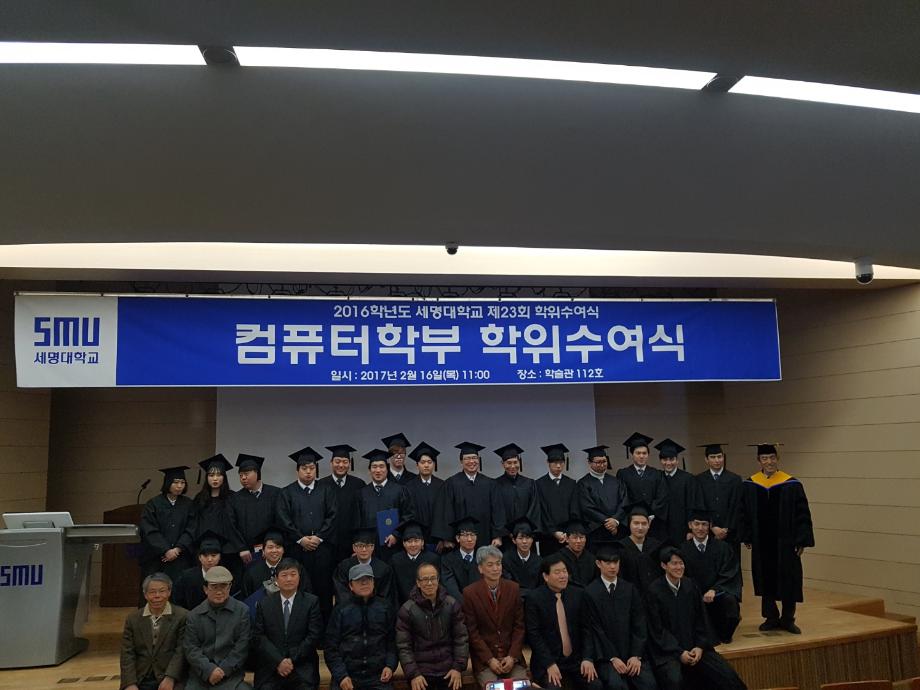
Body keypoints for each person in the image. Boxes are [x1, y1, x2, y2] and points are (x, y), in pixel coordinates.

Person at [645, 548, 748, 690]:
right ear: (664, 565)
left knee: (728, 676)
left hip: (696, 647)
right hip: (669, 652)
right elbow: (657, 630)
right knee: (674, 680)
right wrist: (679, 653)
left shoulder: (690, 586)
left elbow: (702, 620)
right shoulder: (654, 591)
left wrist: (700, 646)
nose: (679, 567)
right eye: (674, 563)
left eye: (681, 563)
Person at [740, 443, 815, 634]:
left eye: (772, 457)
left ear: (778, 458)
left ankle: (788, 619)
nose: (769, 462)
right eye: (765, 458)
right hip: (762, 543)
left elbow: (802, 514)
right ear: (759, 461)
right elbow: (744, 513)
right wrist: (747, 535)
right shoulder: (750, 484)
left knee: (789, 580)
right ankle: (771, 617)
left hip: (786, 543)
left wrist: (801, 540)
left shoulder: (792, 484)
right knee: (765, 580)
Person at [276, 446, 338, 625]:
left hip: (322, 550)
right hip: (297, 551)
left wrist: (319, 537)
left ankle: (323, 631)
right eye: (304, 468)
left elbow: (333, 516)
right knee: (300, 590)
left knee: (324, 591)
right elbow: (283, 519)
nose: (309, 472)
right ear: (297, 470)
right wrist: (300, 538)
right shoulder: (287, 492)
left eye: (312, 468)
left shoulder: (326, 490)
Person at [582, 544, 656, 690]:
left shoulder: (629, 589)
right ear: (598, 564)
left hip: (632, 654)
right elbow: (595, 629)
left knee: (649, 684)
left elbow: (639, 623)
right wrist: (612, 657)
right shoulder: (590, 592)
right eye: (608, 563)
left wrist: (636, 655)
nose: (612, 567)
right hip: (606, 656)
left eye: (615, 562)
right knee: (616, 685)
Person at [525, 553, 601, 690]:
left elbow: (587, 630)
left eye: (564, 571)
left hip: (576, 661)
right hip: (548, 661)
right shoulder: (534, 599)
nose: (563, 576)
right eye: (557, 572)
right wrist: (549, 663)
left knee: (595, 685)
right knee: (553, 687)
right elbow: (534, 635)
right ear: (545, 576)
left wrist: (587, 658)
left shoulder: (578, 594)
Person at [324, 563, 398, 690]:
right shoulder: (341, 610)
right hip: (348, 675)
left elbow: (393, 642)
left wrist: (390, 666)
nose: (364, 583)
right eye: (359, 580)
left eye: (368, 579)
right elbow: (331, 648)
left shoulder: (385, 608)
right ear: (351, 586)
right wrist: (341, 675)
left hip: (378, 675)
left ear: (373, 583)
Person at [253, 558, 324, 690]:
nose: (289, 579)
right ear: (276, 580)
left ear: (299, 577)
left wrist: (291, 660)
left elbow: (313, 636)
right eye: (284, 575)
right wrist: (278, 661)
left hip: (302, 666)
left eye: (293, 574)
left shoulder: (311, 602)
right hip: (272, 666)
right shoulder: (265, 604)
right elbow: (259, 637)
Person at [461, 546, 528, 686]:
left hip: (512, 658)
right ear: (480, 569)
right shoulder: (470, 593)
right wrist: (490, 659)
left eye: (498, 564)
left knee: (520, 686)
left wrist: (512, 656)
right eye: (490, 565)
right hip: (485, 661)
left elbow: (519, 626)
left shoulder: (513, 588)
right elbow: (473, 633)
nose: (495, 568)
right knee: (495, 687)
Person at [396, 563, 468, 690]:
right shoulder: (407, 610)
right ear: (418, 583)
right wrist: (414, 674)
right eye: (425, 579)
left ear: (438, 580)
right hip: (421, 673)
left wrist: (457, 667)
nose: (429, 583)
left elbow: (461, 638)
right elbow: (404, 646)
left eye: (433, 578)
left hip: (449, 670)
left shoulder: (451, 604)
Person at [183, 565, 252, 690]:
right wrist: (209, 670)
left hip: (231, 674)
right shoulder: (194, 615)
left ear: (230, 587)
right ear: (205, 589)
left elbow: (242, 646)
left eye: (223, 586)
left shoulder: (242, 611)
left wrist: (223, 670)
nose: (219, 592)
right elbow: (191, 649)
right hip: (201, 675)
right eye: (214, 587)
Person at [679, 509, 742, 644]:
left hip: (716, 595)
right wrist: (696, 593)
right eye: (697, 524)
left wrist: (715, 589)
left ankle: (724, 634)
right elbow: (680, 576)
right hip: (693, 596)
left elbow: (730, 573)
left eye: (704, 524)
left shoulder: (723, 548)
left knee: (730, 602)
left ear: (710, 526)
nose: (700, 528)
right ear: (690, 525)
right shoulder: (682, 549)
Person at [432, 442, 506, 552]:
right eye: (467, 458)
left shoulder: (490, 484)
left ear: (478, 460)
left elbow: (498, 511)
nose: (471, 461)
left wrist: (497, 535)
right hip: (458, 540)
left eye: (474, 458)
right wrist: (447, 538)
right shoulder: (451, 484)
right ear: (461, 461)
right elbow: (445, 512)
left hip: (485, 537)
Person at [120, 572, 188, 690]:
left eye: (162, 591)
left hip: (171, 678)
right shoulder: (133, 619)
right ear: (145, 594)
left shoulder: (182, 616)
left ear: (169, 592)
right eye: (152, 592)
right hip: (140, 678)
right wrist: (130, 683)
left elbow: (181, 651)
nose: (157, 596)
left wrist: (170, 677)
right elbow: (127, 654)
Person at [356, 449, 416, 561]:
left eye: (381, 466)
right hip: (369, 548)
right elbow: (357, 521)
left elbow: (408, 516)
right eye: (374, 467)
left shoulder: (399, 490)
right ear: (369, 470)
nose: (378, 470)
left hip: (394, 547)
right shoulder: (362, 493)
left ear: (387, 469)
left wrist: (396, 534)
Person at [193, 454, 245, 584]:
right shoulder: (199, 499)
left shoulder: (233, 498)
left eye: (219, 475)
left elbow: (237, 525)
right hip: (206, 551)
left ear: (224, 477)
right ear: (207, 478)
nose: (215, 479)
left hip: (228, 551)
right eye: (211, 475)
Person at [140, 466, 197, 583]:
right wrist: (165, 549)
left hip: (181, 557)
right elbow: (149, 530)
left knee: (180, 588)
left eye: (182, 482)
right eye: (175, 482)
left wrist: (177, 549)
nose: (179, 486)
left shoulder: (189, 504)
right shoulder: (153, 504)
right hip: (158, 558)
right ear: (167, 483)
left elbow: (192, 528)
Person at [229, 454, 282, 569]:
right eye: (240, 475)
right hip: (246, 553)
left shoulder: (276, 494)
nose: (243, 478)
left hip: (271, 551)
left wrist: (270, 547)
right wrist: (242, 548)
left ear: (257, 473)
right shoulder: (235, 498)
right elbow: (231, 526)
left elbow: (280, 522)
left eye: (246, 474)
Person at [615, 433, 669, 544]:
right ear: (632, 454)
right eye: (638, 453)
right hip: (631, 522)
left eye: (644, 453)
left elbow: (661, 497)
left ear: (648, 455)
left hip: (653, 522)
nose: (641, 456)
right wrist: (633, 516)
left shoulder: (657, 474)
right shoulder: (623, 474)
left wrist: (650, 514)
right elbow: (622, 497)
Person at [317, 444, 366, 565]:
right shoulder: (321, 485)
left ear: (349, 464)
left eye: (345, 462)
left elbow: (363, 516)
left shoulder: (359, 485)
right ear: (331, 463)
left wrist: (359, 544)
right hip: (326, 544)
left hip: (351, 544)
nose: (341, 465)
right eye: (337, 461)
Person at [694, 444, 743, 563]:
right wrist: (712, 526)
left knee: (731, 563)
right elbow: (700, 505)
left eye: (719, 456)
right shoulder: (699, 480)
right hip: (708, 533)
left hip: (730, 534)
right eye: (713, 457)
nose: (717, 460)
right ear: (706, 459)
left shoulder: (735, 479)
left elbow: (737, 506)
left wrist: (727, 528)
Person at [577, 446, 628, 551]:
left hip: (617, 530)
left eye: (604, 461)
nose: (602, 465)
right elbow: (587, 507)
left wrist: (616, 520)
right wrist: (608, 523)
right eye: (598, 462)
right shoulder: (583, 483)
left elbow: (624, 501)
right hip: (596, 531)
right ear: (589, 462)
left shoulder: (616, 481)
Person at [332, 527, 398, 609]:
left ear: (373, 547)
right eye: (360, 546)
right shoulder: (344, 567)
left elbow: (385, 596)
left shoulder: (383, 569)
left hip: (376, 611)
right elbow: (341, 593)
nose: (364, 549)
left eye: (367, 546)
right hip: (350, 610)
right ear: (354, 548)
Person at [655, 439, 703, 548]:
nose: (668, 463)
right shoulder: (657, 477)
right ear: (660, 461)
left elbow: (693, 505)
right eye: (664, 459)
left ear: (677, 460)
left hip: (682, 530)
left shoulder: (688, 479)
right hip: (661, 531)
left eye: (671, 459)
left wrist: (691, 530)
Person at [493, 443, 541, 549]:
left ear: (520, 462)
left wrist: (524, 530)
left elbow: (534, 509)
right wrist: (506, 531)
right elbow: (496, 511)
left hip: (526, 536)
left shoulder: (529, 483)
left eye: (515, 462)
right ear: (502, 464)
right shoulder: (495, 484)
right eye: (508, 463)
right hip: (506, 538)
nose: (512, 466)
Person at [241, 530, 313, 600]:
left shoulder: (295, 568)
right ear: (263, 551)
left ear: (283, 550)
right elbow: (248, 599)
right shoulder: (252, 572)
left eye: (278, 547)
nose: (274, 551)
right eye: (270, 547)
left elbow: (306, 594)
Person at [535, 444, 579, 557]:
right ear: (548, 463)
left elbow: (574, 510)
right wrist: (553, 532)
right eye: (555, 463)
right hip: (548, 537)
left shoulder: (571, 483)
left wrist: (568, 533)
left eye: (561, 462)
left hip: (567, 537)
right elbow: (541, 511)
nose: (558, 466)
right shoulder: (538, 484)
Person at [404, 443, 445, 549]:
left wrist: (443, 538)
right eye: (422, 462)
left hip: (438, 541)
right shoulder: (409, 487)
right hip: (416, 540)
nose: (426, 465)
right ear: (417, 465)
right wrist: (416, 538)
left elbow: (445, 514)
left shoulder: (442, 485)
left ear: (434, 464)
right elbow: (407, 515)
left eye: (429, 462)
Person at [390, 519, 441, 605]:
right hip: (403, 606)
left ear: (422, 542)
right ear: (403, 543)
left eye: (416, 541)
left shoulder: (433, 559)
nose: (413, 544)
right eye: (409, 541)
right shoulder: (395, 560)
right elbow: (394, 590)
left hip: (428, 605)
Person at [173, 531, 225, 611]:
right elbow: (178, 600)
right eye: (205, 556)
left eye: (213, 555)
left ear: (220, 557)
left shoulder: (226, 576)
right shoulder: (187, 577)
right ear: (199, 557)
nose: (210, 559)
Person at [618, 507, 663, 596]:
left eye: (644, 524)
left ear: (649, 525)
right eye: (636, 523)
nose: (640, 527)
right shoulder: (620, 547)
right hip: (630, 595)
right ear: (629, 524)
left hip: (654, 595)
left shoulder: (656, 546)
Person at [440, 517, 481, 603]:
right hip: (457, 604)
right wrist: (465, 604)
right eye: (465, 535)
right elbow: (451, 587)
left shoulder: (483, 557)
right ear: (458, 538)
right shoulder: (447, 559)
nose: (469, 539)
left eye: (472, 535)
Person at [501, 517, 543, 597]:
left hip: (534, 600)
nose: (524, 542)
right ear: (514, 540)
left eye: (528, 538)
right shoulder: (506, 559)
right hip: (513, 598)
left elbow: (541, 586)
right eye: (520, 538)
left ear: (532, 540)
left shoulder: (539, 561)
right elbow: (507, 584)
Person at [558, 518, 597, 588]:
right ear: (567, 539)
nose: (578, 541)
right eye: (575, 538)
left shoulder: (592, 559)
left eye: (581, 537)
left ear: (585, 539)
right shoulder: (557, 559)